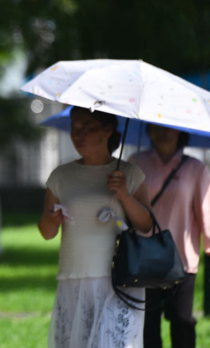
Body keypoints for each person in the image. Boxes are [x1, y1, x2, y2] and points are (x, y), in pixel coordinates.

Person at [39, 106, 153, 348]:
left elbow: (146, 225)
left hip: (120, 279)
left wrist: (124, 195)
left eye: (86, 128)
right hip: (75, 276)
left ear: (107, 130)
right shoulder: (61, 176)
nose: (78, 135)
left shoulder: (130, 174)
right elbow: (47, 233)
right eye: (74, 128)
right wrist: (51, 220)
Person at [129, 124, 210, 348]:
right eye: (156, 127)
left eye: (169, 128)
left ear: (180, 132)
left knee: (182, 321)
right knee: (147, 325)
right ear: (149, 131)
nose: (162, 133)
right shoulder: (136, 162)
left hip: (182, 258)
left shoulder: (196, 168)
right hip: (143, 258)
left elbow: (206, 213)